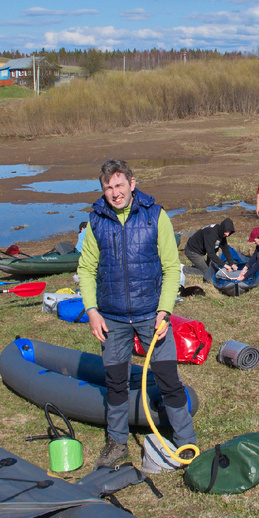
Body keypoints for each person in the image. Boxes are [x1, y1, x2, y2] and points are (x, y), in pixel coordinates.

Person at [76, 158, 196, 469]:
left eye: (119, 185)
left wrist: (165, 311)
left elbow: (172, 268)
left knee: (169, 379)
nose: (115, 193)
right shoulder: (96, 221)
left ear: (132, 183)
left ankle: (186, 442)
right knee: (116, 382)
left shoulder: (156, 216)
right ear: (103, 191)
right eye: (108, 188)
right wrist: (92, 311)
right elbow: (86, 270)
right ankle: (117, 444)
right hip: (112, 318)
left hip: (150, 316)